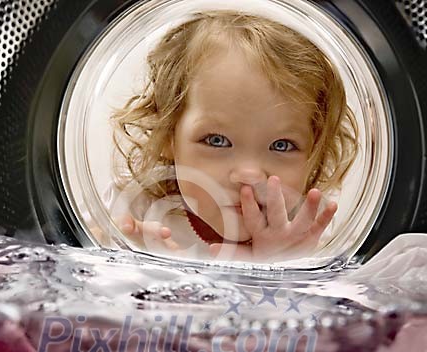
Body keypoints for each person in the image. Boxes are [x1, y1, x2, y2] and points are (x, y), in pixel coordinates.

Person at [107, 9, 359, 262]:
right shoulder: (136, 207)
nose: (249, 175)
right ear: (167, 136)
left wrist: (282, 267)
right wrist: (125, 258)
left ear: (315, 151)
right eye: (216, 140)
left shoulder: (309, 231)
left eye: (282, 145)